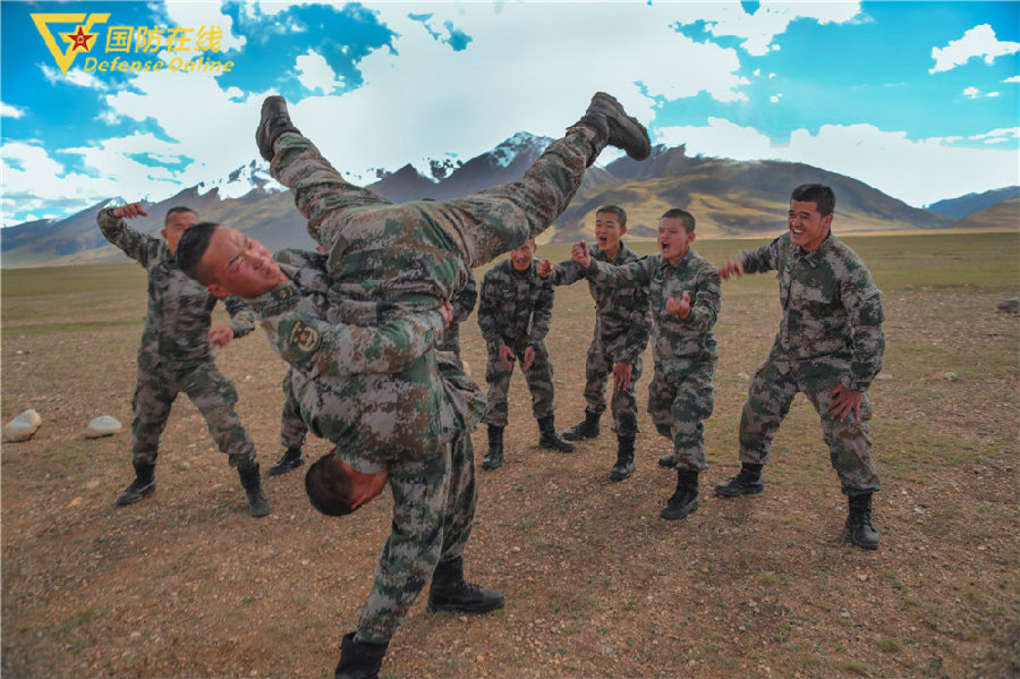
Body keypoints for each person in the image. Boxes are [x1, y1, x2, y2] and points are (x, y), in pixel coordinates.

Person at [176, 92, 651, 678]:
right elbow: (341, 342)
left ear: (359, 496)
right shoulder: (312, 379)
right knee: (318, 188)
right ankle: (279, 136)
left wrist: (435, 316)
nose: (256, 257)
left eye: (246, 246)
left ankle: (596, 124)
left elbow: (391, 354)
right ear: (221, 288)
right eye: (239, 263)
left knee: (528, 207)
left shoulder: (357, 399)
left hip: (416, 265)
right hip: (364, 239)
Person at [714, 183, 885, 550]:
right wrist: (741, 263)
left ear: (827, 220)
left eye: (804, 216)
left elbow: (870, 331)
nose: (795, 222)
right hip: (786, 353)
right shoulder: (788, 247)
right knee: (758, 406)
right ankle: (750, 476)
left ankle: (860, 513)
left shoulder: (847, 267)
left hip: (829, 361)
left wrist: (857, 384)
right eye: (791, 214)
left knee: (846, 428)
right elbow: (764, 255)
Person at [96, 204, 269, 517]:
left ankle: (253, 488)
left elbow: (244, 311)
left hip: (196, 366)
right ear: (165, 233)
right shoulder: (154, 253)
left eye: (192, 226)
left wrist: (233, 328)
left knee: (227, 426)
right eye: (179, 226)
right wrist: (115, 213)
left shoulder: (211, 266)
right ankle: (143, 481)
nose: (186, 232)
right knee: (144, 428)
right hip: (154, 366)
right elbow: (111, 230)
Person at [570, 208, 720, 520]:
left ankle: (687, 489)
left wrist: (686, 312)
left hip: (696, 363)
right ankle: (682, 448)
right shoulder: (653, 265)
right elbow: (619, 275)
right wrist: (590, 264)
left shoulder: (705, 273)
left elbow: (708, 316)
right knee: (660, 416)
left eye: (672, 231)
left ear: (689, 237)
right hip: (665, 362)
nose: (664, 236)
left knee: (685, 415)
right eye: (661, 230)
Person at [536, 205, 651, 481]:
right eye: (598, 224)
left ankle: (626, 456)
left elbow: (645, 316)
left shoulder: (635, 263)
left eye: (609, 225)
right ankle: (591, 424)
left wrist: (628, 357)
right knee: (594, 380)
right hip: (603, 333)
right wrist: (548, 272)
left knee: (623, 394)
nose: (601, 230)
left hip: (628, 337)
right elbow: (566, 274)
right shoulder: (593, 255)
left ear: (622, 230)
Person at [477, 238, 574, 470]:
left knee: (544, 383)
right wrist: (498, 344)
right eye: (515, 247)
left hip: (529, 337)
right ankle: (495, 448)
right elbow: (485, 315)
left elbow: (544, 311)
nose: (520, 254)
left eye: (525, 248)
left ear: (534, 248)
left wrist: (535, 342)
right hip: (501, 339)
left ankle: (548, 435)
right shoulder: (494, 275)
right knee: (497, 390)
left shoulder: (543, 273)